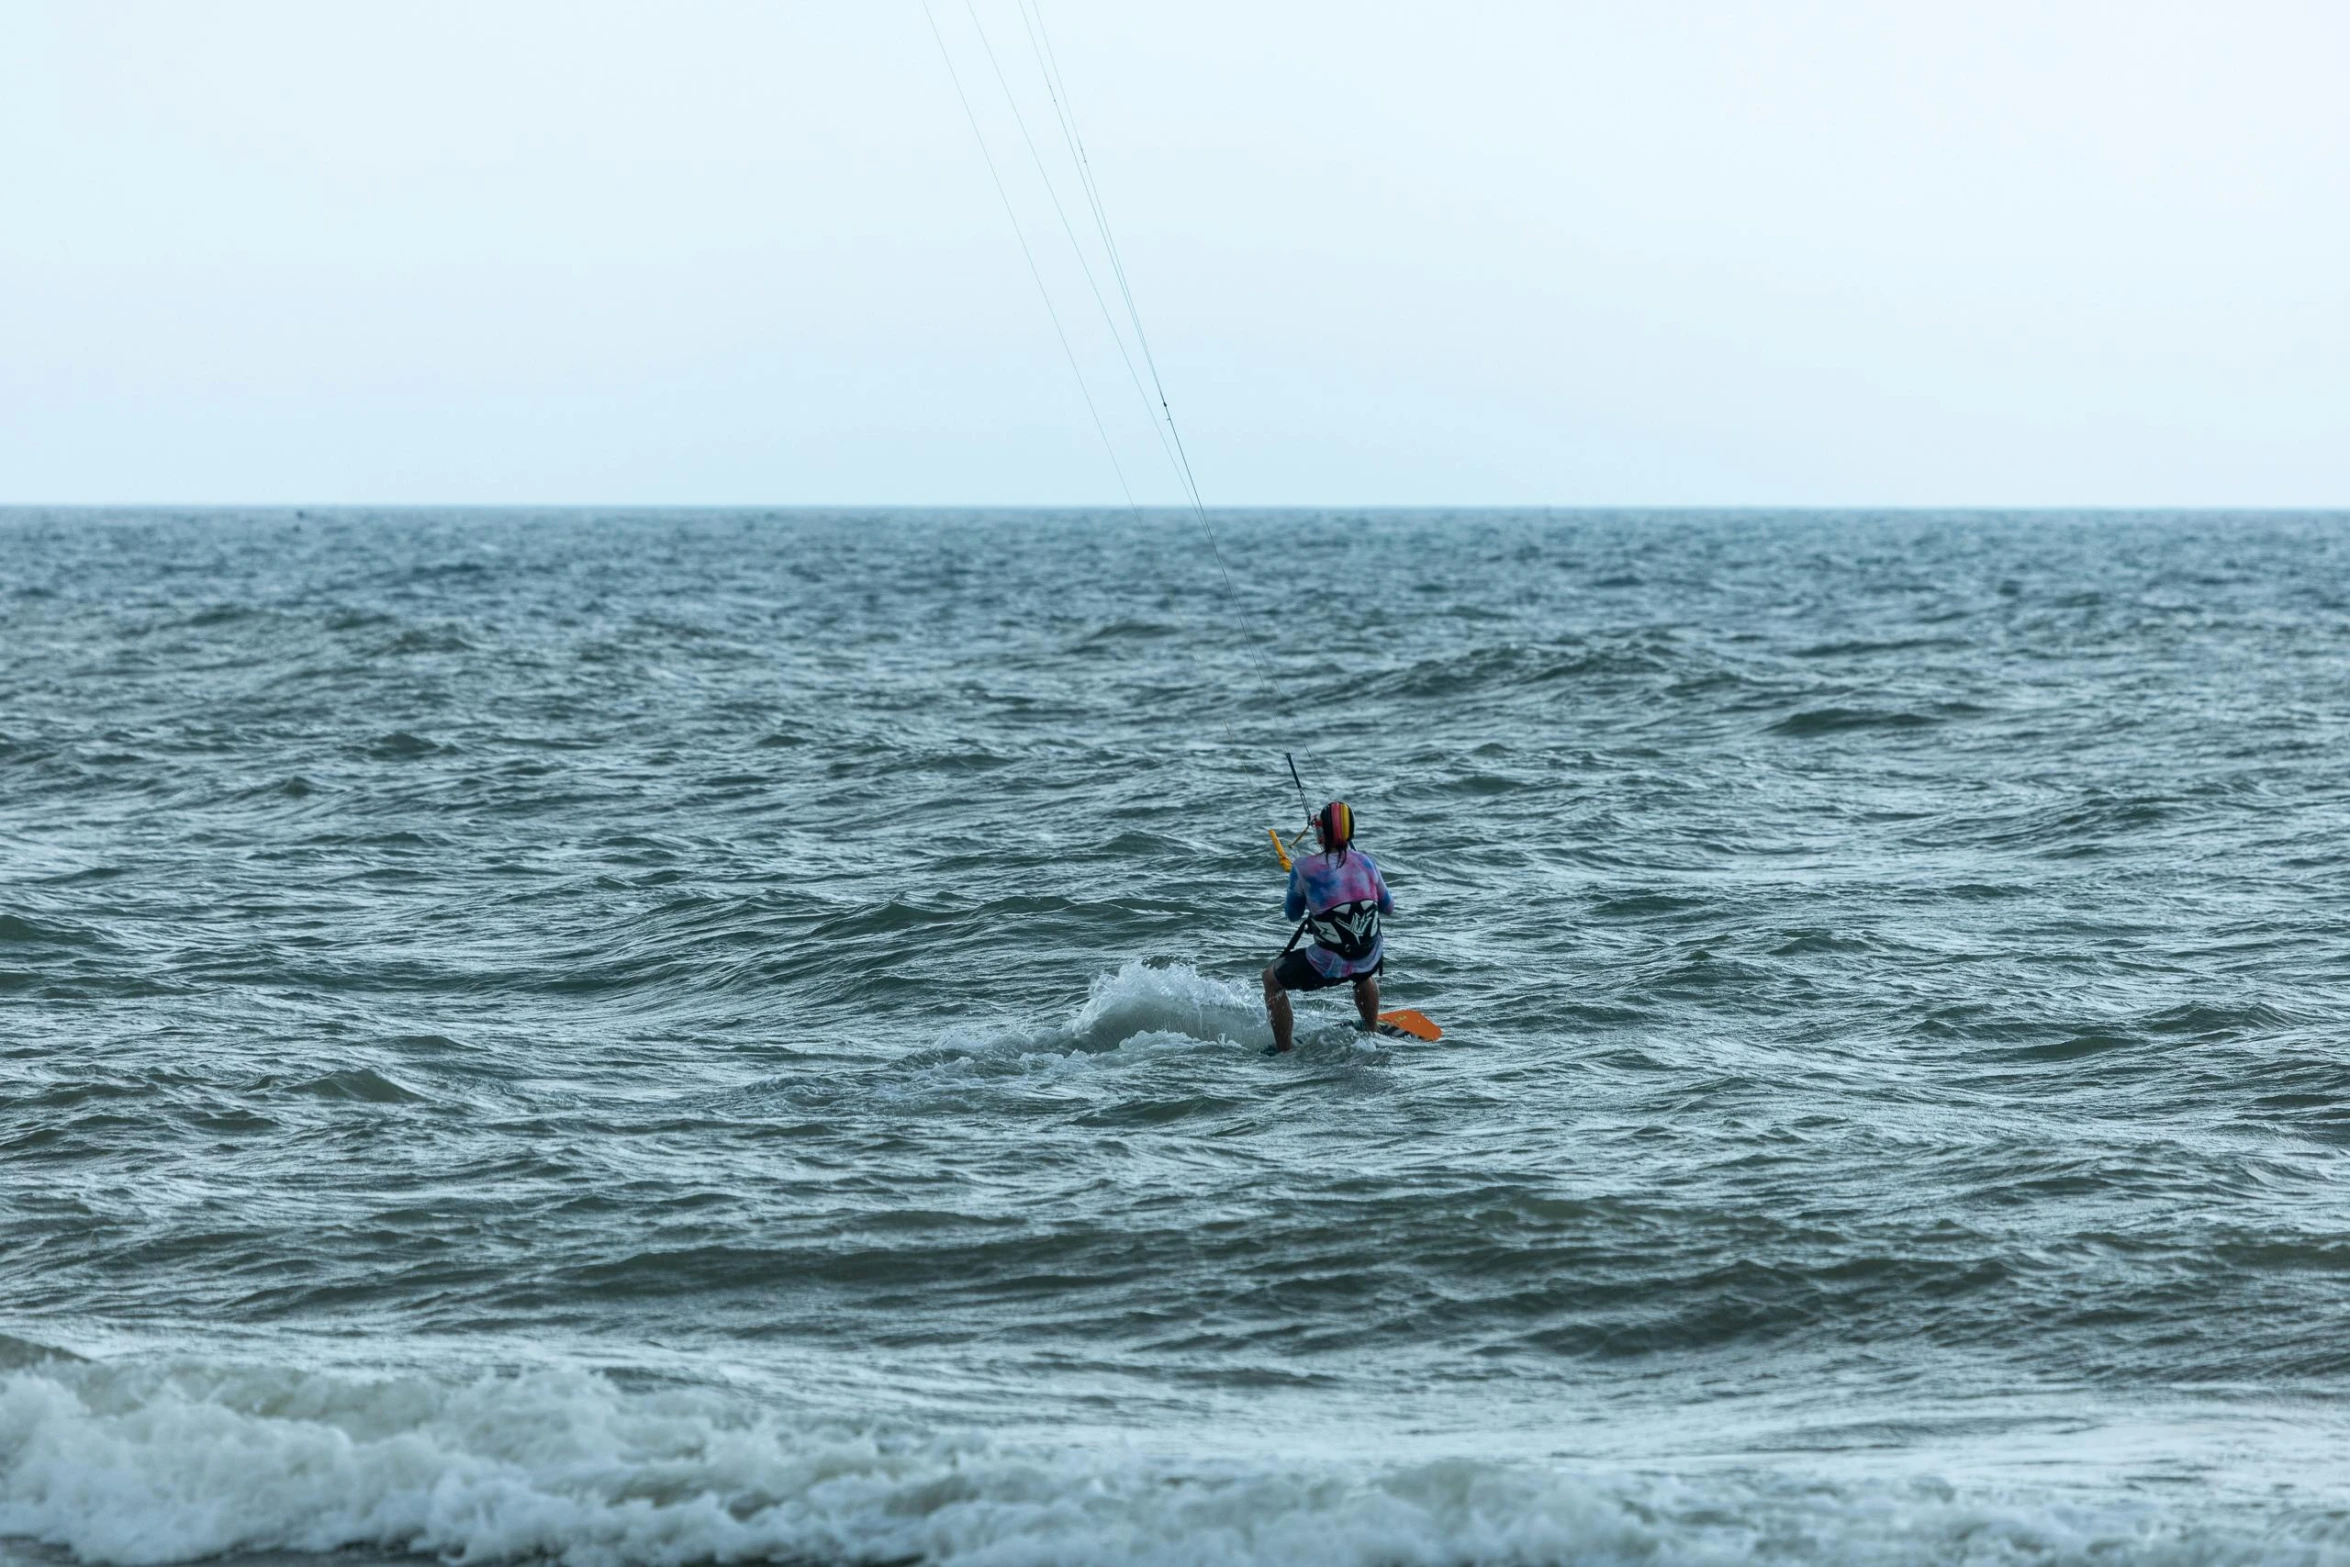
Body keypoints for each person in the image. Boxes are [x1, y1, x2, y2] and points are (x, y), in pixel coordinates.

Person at [1262, 800, 1394, 1054]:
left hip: (1327, 964)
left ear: (1321, 834)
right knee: (1361, 972)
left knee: (1271, 980)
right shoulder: (1368, 863)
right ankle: (1371, 1028)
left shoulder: (1303, 868)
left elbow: (1292, 914)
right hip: (1368, 957)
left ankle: (1285, 1051)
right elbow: (1388, 907)